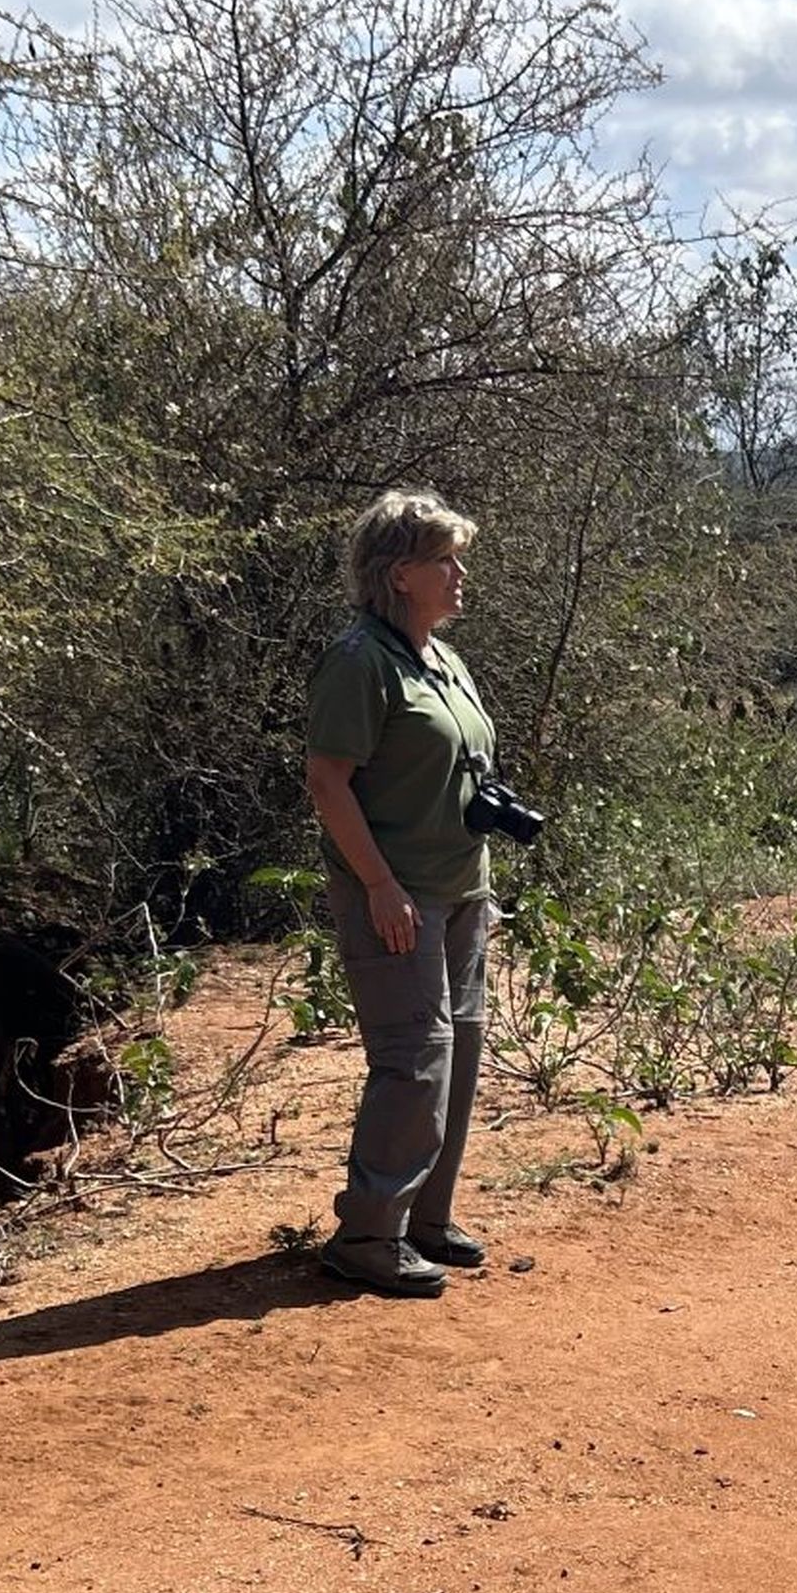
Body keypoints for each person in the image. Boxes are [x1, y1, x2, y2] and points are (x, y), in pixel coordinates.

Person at [305, 489, 504, 1298]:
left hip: (461, 892)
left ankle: (424, 1218)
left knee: (458, 1056)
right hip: (398, 898)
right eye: (443, 560)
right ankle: (368, 1234)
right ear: (397, 574)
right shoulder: (360, 660)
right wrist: (380, 885)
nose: (459, 574)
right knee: (414, 1063)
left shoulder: (441, 658)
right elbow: (328, 781)